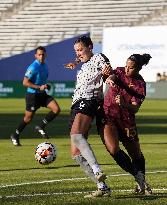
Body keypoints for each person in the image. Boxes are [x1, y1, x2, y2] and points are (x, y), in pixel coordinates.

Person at [99, 53, 152, 195]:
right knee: (113, 149)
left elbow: (135, 108)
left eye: (131, 67)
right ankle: (138, 177)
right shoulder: (120, 71)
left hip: (127, 121)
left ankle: (140, 181)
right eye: (126, 65)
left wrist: (124, 104)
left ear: (139, 69)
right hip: (109, 115)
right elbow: (112, 76)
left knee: (136, 154)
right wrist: (109, 79)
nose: (127, 69)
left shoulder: (140, 85)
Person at [67, 36, 112, 198]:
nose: (78, 53)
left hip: (88, 100)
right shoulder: (84, 62)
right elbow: (84, 59)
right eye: (76, 51)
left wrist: (109, 76)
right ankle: (102, 186)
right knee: (76, 154)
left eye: (80, 50)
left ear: (91, 47)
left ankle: (97, 170)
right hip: (76, 103)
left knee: (76, 135)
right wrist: (76, 61)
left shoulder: (99, 57)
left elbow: (107, 70)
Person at [10, 46, 60, 146]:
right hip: (32, 96)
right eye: (39, 54)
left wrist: (46, 86)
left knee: (56, 109)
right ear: (35, 56)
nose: (41, 56)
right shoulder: (33, 67)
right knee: (28, 118)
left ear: (45, 55)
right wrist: (38, 87)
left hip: (42, 95)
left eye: (43, 54)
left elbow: (41, 81)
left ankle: (41, 126)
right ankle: (15, 135)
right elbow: (25, 82)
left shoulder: (45, 66)